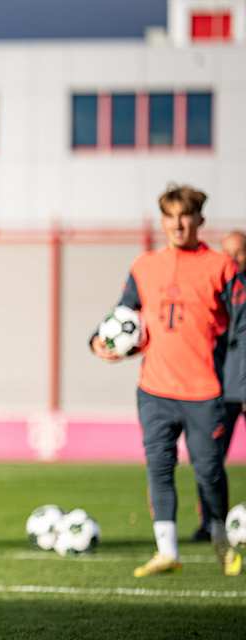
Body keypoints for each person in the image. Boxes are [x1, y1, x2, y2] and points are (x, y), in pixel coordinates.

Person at [89, 185, 240, 577]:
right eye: (170, 216)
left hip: (205, 392)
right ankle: (166, 551)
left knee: (208, 472)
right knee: (159, 466)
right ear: (162, 221)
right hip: (154, 390)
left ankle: (221, 539)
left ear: (200, 220)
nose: (178, 224)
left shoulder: (222, 267)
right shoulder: (144, 266)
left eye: (186, 216)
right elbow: (124, 314)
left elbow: (242, 325)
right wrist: (98, 341)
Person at [195, 230, 246, 542]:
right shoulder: (213, 291)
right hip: (221, 390)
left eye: (239, 252)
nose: (233, 259)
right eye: (227, 252)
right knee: (209, 459)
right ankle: (212, 524)